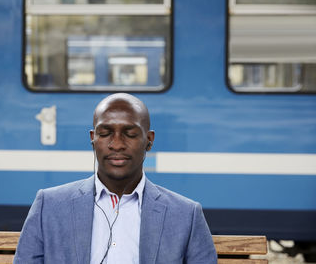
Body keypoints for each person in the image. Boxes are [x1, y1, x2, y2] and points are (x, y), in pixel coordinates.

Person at [14, 93, 217, 264]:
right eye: (105, 133)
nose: (117, 144)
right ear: (93, 139)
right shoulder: (48, 206)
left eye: (129, 133)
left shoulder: (186, 215)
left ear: (149, 140)